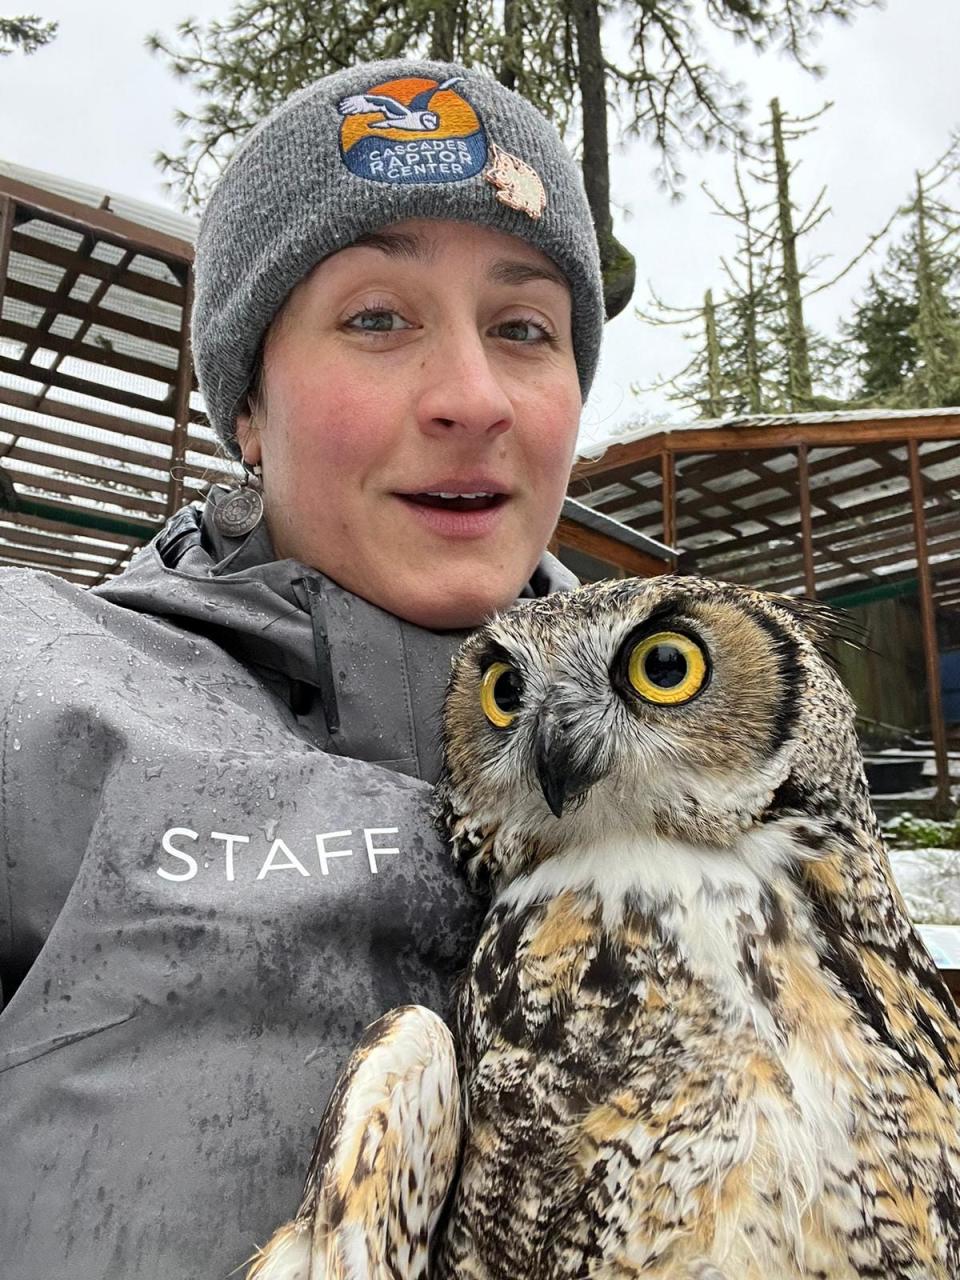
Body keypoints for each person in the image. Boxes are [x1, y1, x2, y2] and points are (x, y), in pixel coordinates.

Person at [0, 58, 604, 1278]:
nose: (472, 396)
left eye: (524, 328)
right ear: (248, 410)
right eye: (378, 317)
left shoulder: (715, 734)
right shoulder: (35, 692)